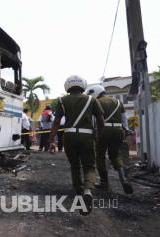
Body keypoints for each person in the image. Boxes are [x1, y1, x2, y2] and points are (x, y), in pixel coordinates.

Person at [49, 75, 104, 215]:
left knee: (75, 166)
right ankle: (88, 191)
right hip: (87, 136)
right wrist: (98, 136)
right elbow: (100, 119)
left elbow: (56, 122)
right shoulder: (92, 100)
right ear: (82, 85)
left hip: (69, 136)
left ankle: (79, 195)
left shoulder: (62, 100)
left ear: (67, 86)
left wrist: (52, 141)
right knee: (90, 166)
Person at [85, 85, 133, 194]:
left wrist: (93, 132)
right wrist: (125, 129)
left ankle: (104, 183)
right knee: (115, 155)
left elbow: (93, 119)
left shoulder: (96, 102)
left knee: (100, 156)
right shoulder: (117, 101)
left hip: (103, 130)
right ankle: (124, 180)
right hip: (118, 129)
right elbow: (124, 118)